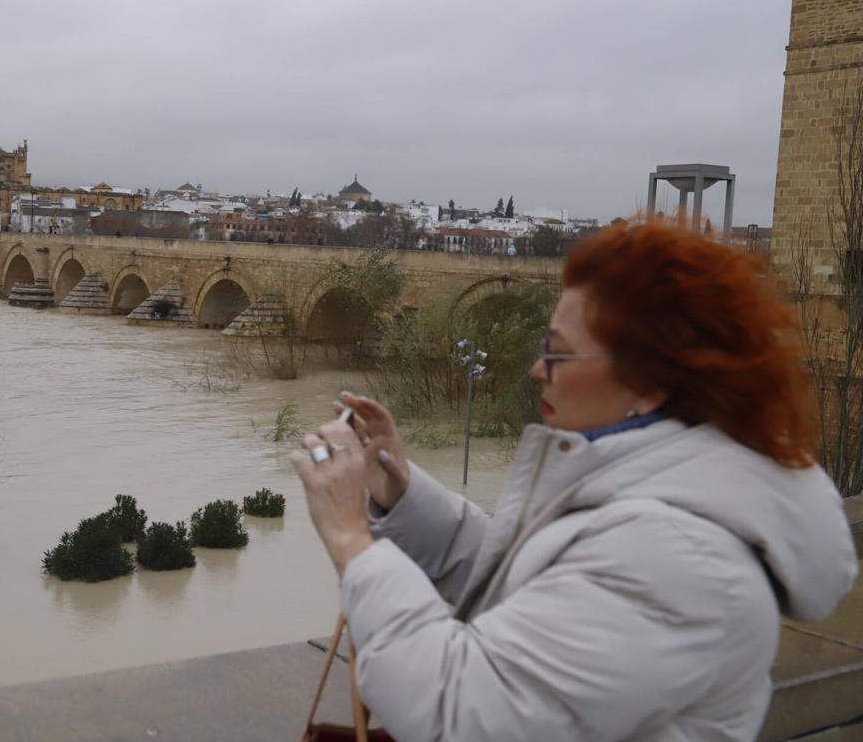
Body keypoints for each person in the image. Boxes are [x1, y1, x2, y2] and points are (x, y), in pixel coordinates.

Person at [291, 222, 857, 741]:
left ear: (647, 381)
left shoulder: (681, 557)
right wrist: (398, 488)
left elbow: (462, 715)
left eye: (556, 353)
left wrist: (351, 542)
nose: (537, 370)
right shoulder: (666, 488)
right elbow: (527, 578)